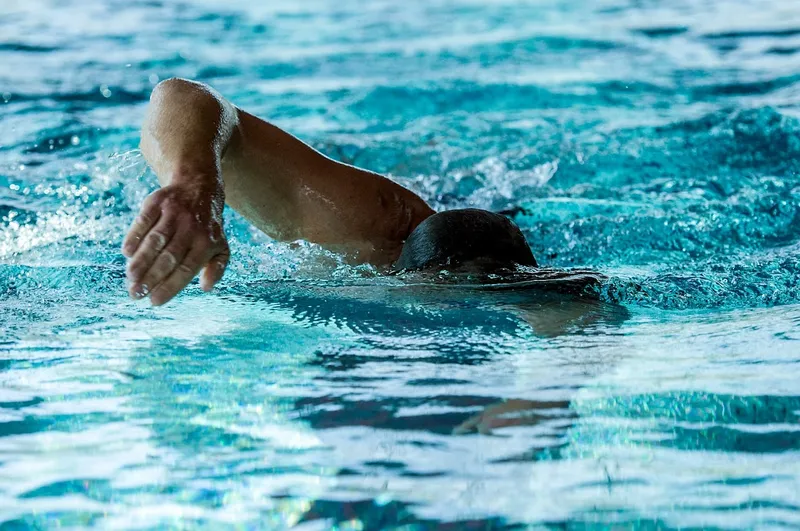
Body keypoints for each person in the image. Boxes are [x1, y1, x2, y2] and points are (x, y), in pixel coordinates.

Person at [123, 78, 586, 306]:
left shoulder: (530, 287)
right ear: (399, 275)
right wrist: (194, 186)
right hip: (398, 195)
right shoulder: (362, 227)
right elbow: (179, 96)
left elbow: (584, 330)